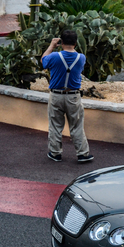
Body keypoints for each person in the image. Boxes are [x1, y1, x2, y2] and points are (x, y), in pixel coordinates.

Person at [41, 30, 93, 163]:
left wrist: (52, 46)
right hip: (73, 96)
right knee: (76, 125)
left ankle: (55, 152)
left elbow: (43, 61)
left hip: (56, 95)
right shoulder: (81, 58)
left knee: (55, 125)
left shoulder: (54, 56)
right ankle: (82, 153)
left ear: (61, 42)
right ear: (76, 43)